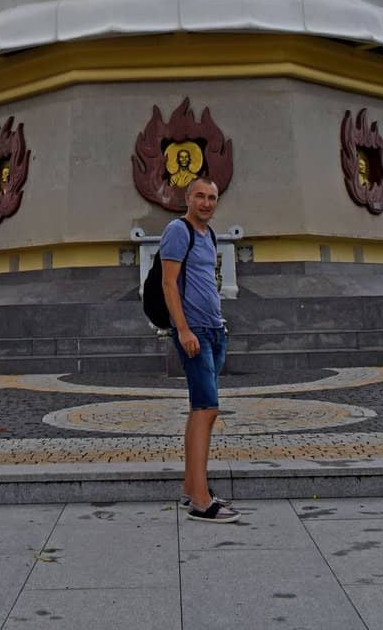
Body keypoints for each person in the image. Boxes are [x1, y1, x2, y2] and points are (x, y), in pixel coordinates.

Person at [160, 175, 240, 522]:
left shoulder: (210, 235)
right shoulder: (179, 230)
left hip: (214, 330)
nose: (206, 203)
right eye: (200, 196)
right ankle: (201, 500)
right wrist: (183, 329)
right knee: (208, 409)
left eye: (212, 197)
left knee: (200, 412)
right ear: (187, 198)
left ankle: (192, 489)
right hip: (195, 334)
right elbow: (168, 282)